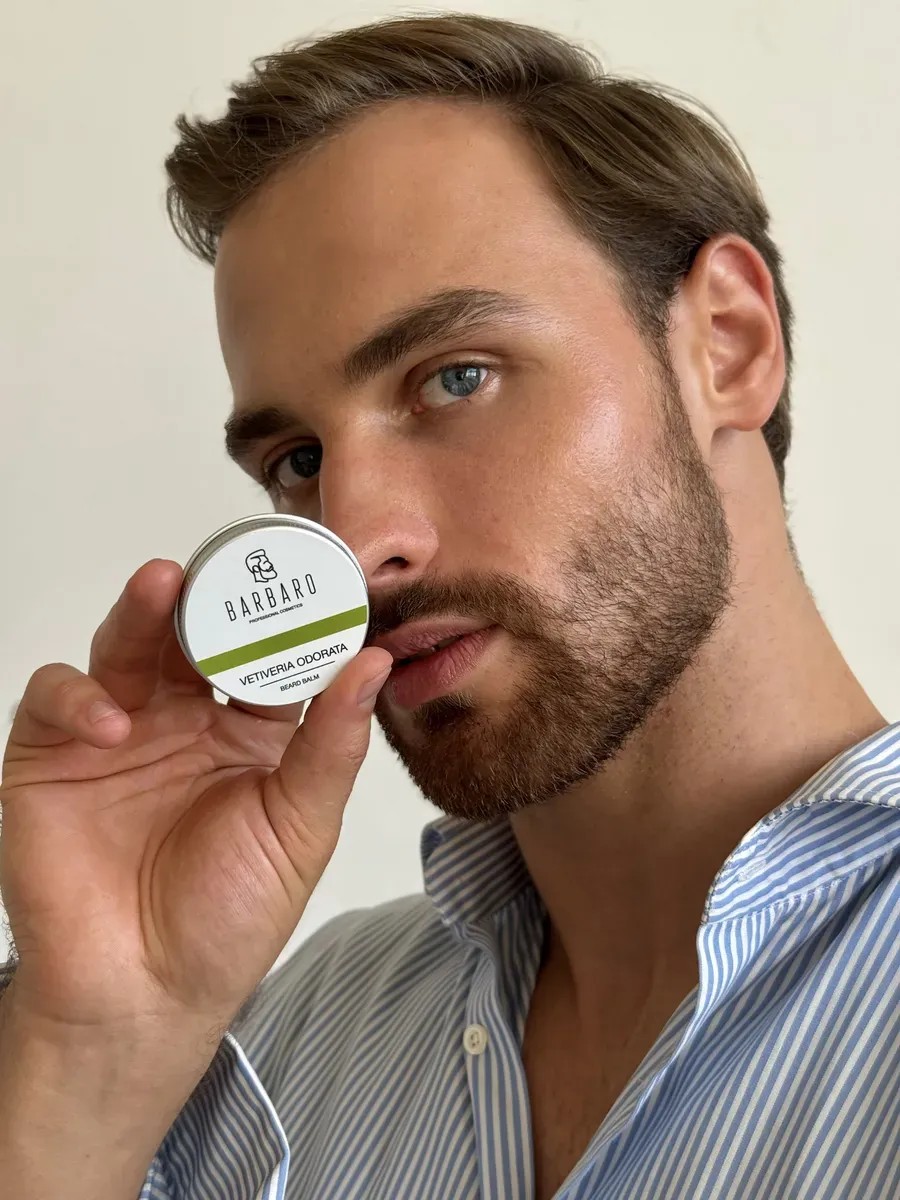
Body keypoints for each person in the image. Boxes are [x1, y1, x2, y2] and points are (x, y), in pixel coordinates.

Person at [0, 13, 897, 1200]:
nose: (355, 540)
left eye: (455, 377)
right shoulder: (289, 1045)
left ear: (727, 346)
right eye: (298, 461)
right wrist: (90, 1055)